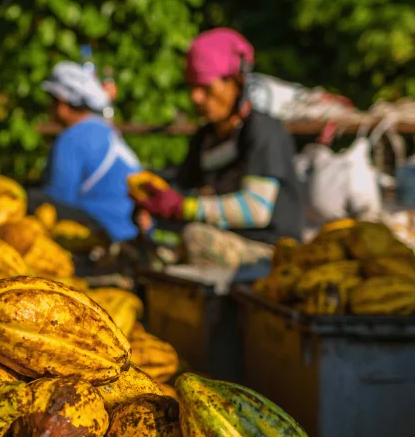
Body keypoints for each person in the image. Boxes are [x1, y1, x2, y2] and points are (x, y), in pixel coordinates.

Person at [134, 28, 304, 267]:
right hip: (224, 240)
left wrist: (184, 207)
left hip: (269, 251)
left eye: (206, 88)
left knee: (195, 238)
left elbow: (256, 209)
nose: (196, 98)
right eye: (192, 87)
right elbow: (183, 188)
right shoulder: (205, 138)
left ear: (236, 82)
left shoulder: (264, 131)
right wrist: (152, 204)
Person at [32, 61, 142, 243]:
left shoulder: (72, 138)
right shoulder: (102, 128)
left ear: (61, 103)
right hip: (131, 229)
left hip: (107, 233)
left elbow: (56, 201)